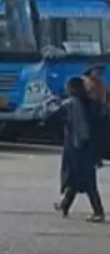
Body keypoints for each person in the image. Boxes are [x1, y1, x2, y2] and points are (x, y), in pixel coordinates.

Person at [59, 76, 105, 221]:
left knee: (86, 182)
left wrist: (79, 146)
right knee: (76, 180)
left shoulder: (75, 103)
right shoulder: (89, 102)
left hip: (79, 148)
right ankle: (65, 205)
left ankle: (98, 212)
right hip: (84, 148)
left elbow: (81, 127)